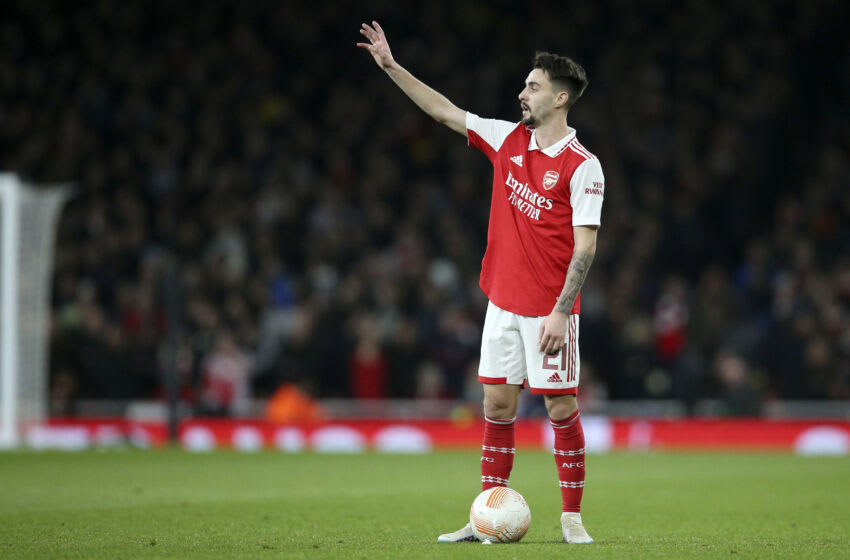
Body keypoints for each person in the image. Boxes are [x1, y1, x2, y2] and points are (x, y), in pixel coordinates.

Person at [358, 21, 604, 544]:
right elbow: (443, 110)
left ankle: (572, 519)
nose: (522, 93)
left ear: (560, 98)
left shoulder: (584, 168)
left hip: (549, 310)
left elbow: (585, 247)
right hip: (502, 303)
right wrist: (391, 67)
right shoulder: (506, 137)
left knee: (560, 407)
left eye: (533, 86)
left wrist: (562, 310)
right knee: (496, 406)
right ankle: (485, 514)